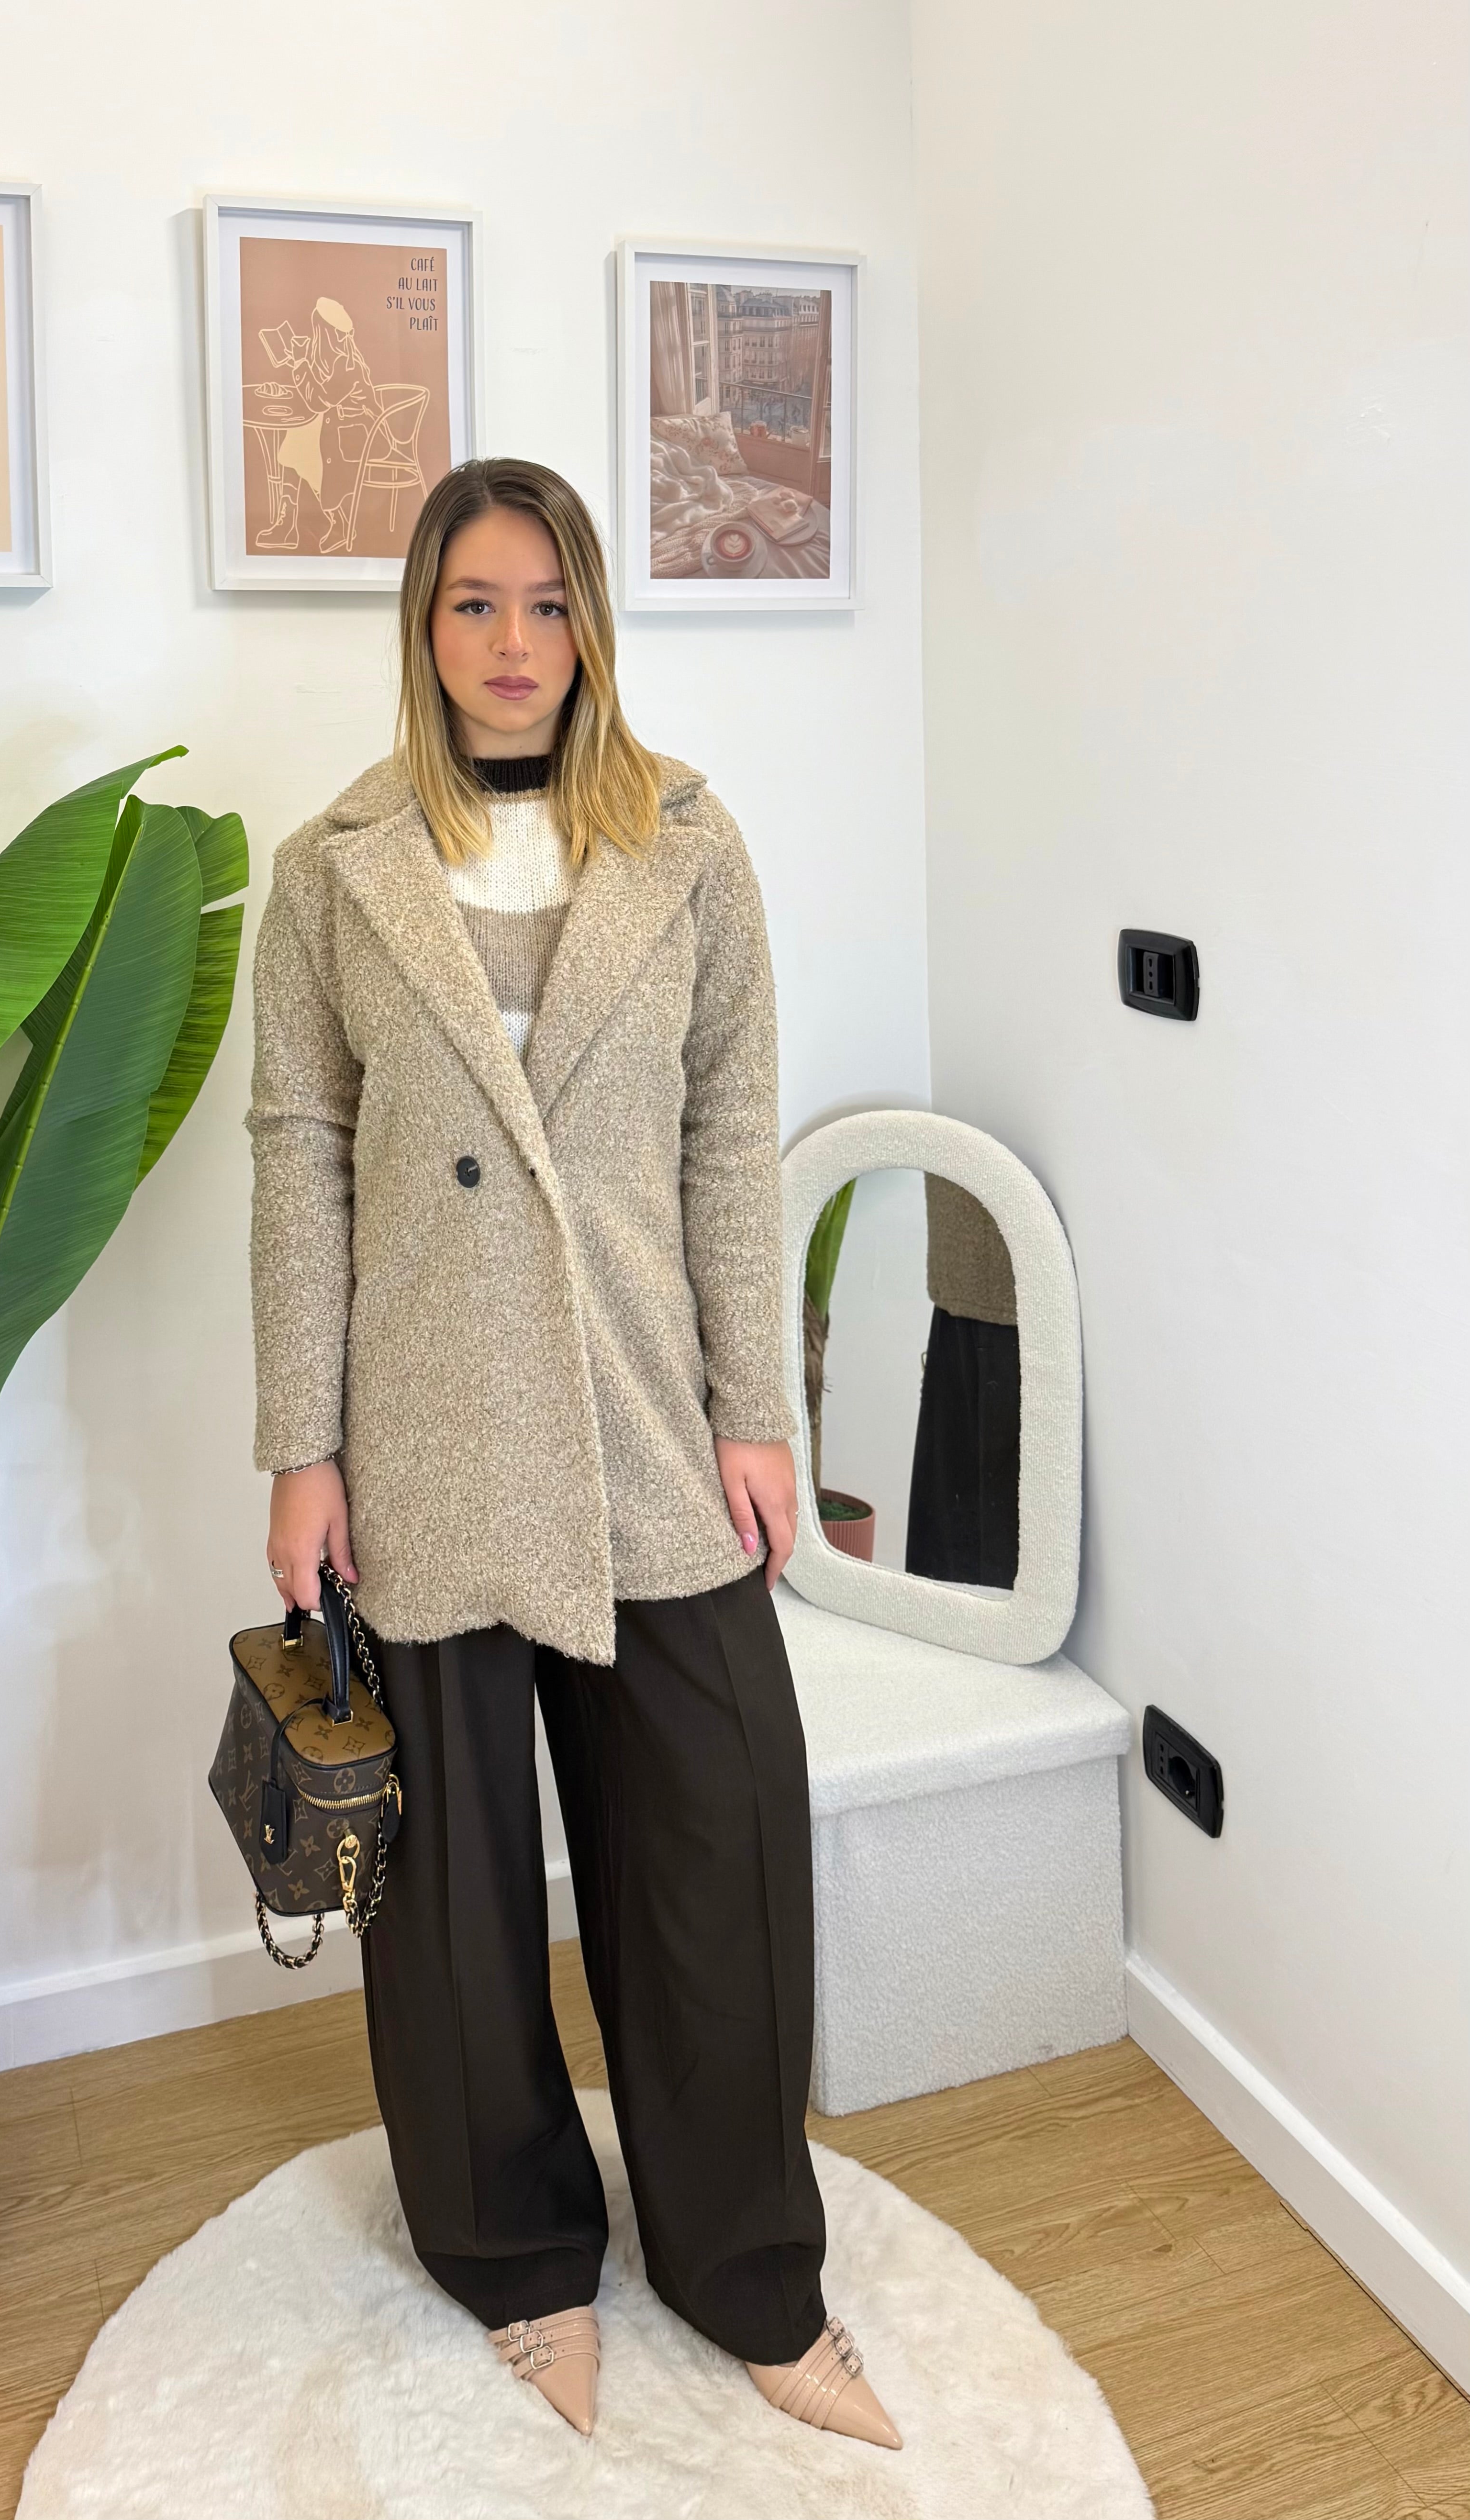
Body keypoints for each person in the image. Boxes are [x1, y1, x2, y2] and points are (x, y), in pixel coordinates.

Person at [245, 456, 900, 2450]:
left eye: (545, 603)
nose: (511, 642)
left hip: (641, 1415)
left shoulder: (686, 844)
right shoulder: (335, 864)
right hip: (426, 1427)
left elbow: (728, 1139)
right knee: (446, 1902)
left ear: (590, 624)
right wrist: (300, 1445)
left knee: (718, 1842)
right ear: (423, 628)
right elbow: (297, 1153)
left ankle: (747, 2267)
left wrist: (754, 1409)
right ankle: (516, 2256)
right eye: (473, 603)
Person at [255, 294, 382, 555]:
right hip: (341, 430)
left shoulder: (348, 366)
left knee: (303, 442)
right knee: (300, 434)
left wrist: (301, 363)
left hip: (363, 437)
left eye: (317, 331)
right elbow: (318, 397)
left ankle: (332, 523)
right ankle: (292, 522)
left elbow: (319, 401)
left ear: (325, 333)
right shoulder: (330, 361)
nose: (314, 337)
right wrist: (299, 362)